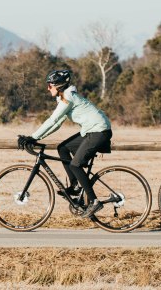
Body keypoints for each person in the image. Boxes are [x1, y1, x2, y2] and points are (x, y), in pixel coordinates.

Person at [17, 69, 112, 218]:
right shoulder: (65, 98)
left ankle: (94, 202)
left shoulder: (68, 97)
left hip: (98, 132)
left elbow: (53, 120)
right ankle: (75, 186)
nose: (48, 88)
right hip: (92, 131)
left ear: (58, 85)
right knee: (62, 148)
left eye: (50, 85)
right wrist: (35, 138)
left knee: (75, 165)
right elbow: (57, 124)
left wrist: (33, 137)